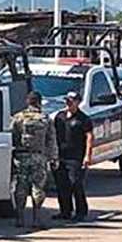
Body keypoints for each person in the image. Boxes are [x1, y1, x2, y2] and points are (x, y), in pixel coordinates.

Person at [10, 91, 58, 230]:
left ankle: (20, 218)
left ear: (28, 102)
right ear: (39, 102)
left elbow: (12, 137)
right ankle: (37, 219)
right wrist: (54, 157)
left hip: (21, 157)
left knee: (20, 187)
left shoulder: (18, 117)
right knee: (38, 187)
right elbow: (51, 140)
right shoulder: (45, 119)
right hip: (39, 157)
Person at [53, 91, 94, 222]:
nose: (68, 103)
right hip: (60, 156)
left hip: (76, 157)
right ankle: (65, 211)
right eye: (67, 100)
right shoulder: (59, 117)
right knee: (61, 185)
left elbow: (89, 137)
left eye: (71, 100)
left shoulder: (84, 119)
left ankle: (81, 211)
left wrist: (88, 156)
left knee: (76, 183)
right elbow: (53, 135)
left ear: (77, 102)